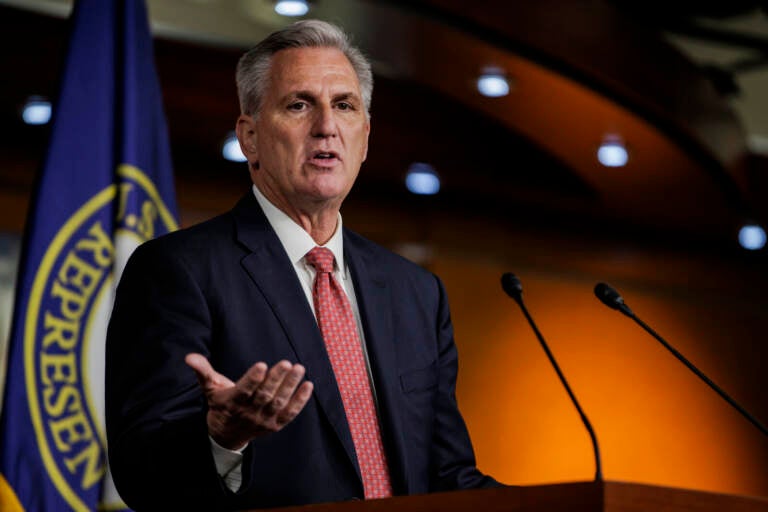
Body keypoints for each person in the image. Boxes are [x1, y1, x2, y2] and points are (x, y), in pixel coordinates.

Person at [105, 19, 499, 511]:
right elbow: (140, 473)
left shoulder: (416, 292)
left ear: (366, 137)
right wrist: (220, 436)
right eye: (298, 105)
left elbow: (448, 475)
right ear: (249, 136)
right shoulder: (177, 271)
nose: (326, 126)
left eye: (344, 106)